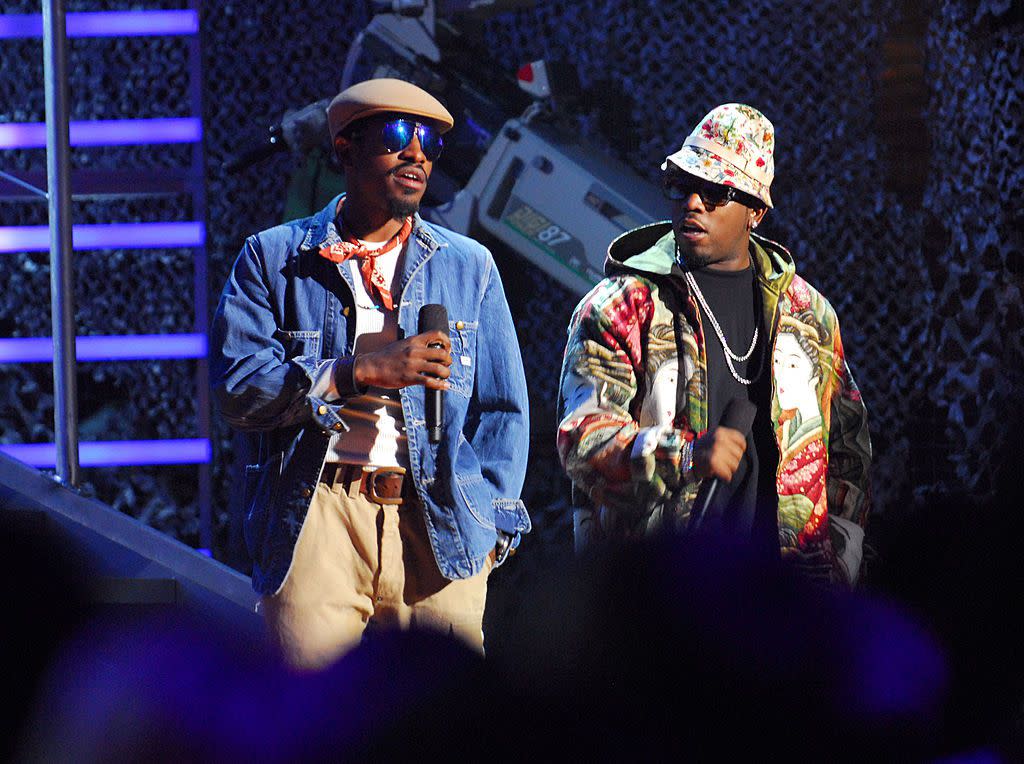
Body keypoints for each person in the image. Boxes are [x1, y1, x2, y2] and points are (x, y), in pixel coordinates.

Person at [211, 78, 530, 668]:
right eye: (395, 135)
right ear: (345, 149)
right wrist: (360, 371)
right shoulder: (276, 258)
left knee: (448, 727)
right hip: (319, 515)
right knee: (314, 727)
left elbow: (503, 410)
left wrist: (492, 528)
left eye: (430, 142)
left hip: (440, 520)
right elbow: (237, 388)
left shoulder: (467, 266)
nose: (415, 153)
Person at [557, 103, 871, 584]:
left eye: (715, 191)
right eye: (683, 186)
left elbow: (848, 449)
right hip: (658, 595)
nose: (693, 203)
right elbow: (582, 438)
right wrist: (681, 455)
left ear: (756, 213)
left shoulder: (808, 313)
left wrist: (841, 561)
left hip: (785, 598)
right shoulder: (624, 304)